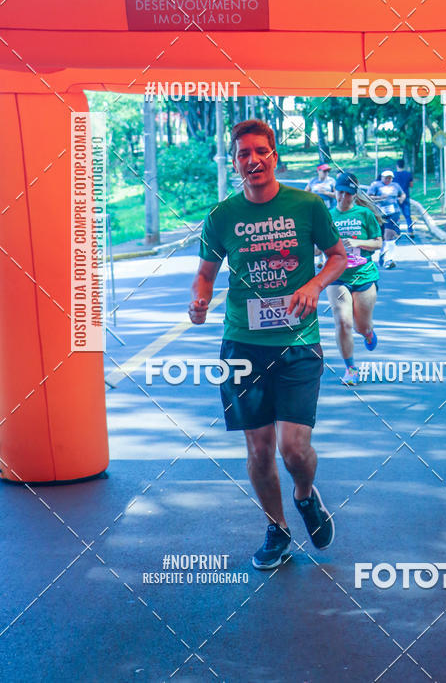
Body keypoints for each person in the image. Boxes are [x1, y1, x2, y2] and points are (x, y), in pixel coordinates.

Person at [189, 120, 347, 571]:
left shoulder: (307, 205)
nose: (253, 160)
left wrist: (315, 284)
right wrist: (199, 298)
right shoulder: (221, 216)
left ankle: (304, 495)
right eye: (243, 153)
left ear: (274, 155)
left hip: (298, 340)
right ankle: (276, 531)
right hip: (242, 344)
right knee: (259, 450)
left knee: (294, 449)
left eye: (261, 151)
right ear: (235, 161)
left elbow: (339, 255)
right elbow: (206, 271)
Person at [327, 173, 382, 386]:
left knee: (361, 326)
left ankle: (368, 333)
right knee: (343, 321)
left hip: (364, 275)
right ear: (335, 191)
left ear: (354, 194)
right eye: (340, 192)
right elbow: (316, 245)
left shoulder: (365, 214)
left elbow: (378, 244)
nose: (343, 197)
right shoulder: (327, 216)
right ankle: (351, 369)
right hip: (337, 277)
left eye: (348, 194)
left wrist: (357, 242)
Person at [367, 169, 406, 268]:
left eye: (390, 178)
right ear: (382, 177)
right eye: (386, 177)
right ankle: (382, 254)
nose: (388, 179)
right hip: (380, 213)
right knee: (382, 237)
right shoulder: (376, 185)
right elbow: (368, 197)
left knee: (390, 235)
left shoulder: (396, 186)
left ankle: (389, 259)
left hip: (393, 212)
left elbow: (402, 194)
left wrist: (402, 198)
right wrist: (380, 198)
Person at [393, 158, 414, 237]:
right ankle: (410, 231)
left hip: (395, 198)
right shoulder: (408, 174)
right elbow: (411, 185)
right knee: (408, 215)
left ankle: (397, 232)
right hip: (406, 196)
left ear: (397, 165)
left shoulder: (393, 174)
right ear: (404, 165)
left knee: (396, 215)